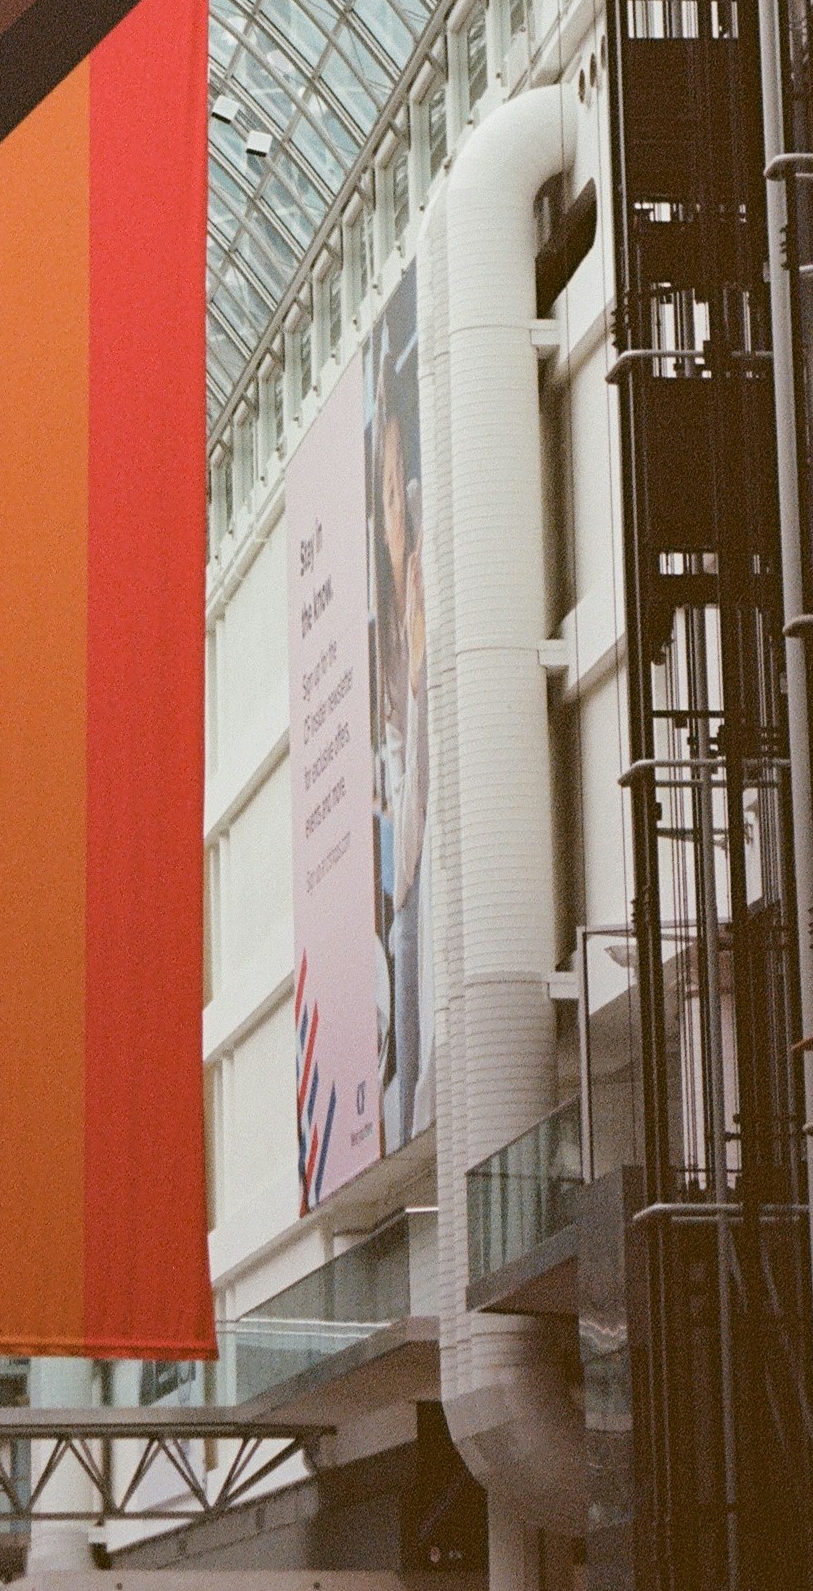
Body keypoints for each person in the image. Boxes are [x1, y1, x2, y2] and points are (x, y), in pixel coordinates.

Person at [369, 287, 432, 1149]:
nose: (387, 515)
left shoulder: (421, 590)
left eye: (394, 489)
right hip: (408, 888)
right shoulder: (390, 632)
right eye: (379, 492)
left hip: (424, 887)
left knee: (422, 1079)